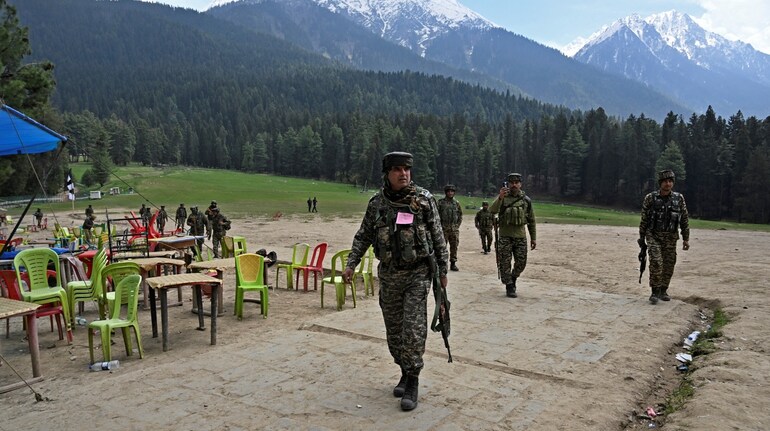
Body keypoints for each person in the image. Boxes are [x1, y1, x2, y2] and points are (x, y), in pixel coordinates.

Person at [341, 151, 448, 412]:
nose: (403, 174)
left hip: (417, 275)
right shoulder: (377, 204)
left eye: (407, 169)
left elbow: (438, 236)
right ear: (387, 174)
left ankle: (413, 380)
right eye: (397, 169)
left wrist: (443, 272)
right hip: (389, 276)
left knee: (413, 330)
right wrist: (351, 263)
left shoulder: (424, 201)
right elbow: (363, 236)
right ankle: (403, 369)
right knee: (394, 331)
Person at [639, 169, 690, 304]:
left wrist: (686, 238)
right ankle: (654, 291)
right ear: (660, 183)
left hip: (671, 237)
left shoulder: (679, 199)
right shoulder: (650, 198)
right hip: (653, 235)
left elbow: (684, 219)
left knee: (669, 264)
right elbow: (644, 219)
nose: (668, 184)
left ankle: (663, 290)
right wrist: (641, 237)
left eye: (670, 181)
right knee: (656, 261)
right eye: (665, 181)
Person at [489, 173, 536, 298]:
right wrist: (500, 197)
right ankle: (509, 285)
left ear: (520, 184)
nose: (514, 185)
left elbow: (531, 220)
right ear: (508, 184)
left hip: (520, 236)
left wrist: (533, 238)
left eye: (516, 183)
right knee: (505, 262)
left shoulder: (526, 200)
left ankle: (513, 277)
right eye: (512, 183)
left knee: (521, 262)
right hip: (505, 236)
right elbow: (492, 211)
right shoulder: (503, 197)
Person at [437, 184, 462, 271]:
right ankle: (442, 264)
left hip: (454, 230)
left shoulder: (456, 203)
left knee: (454, 247)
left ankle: (453, 263)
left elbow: (460, 215)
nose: (450, 193)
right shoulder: (440, 203)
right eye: (449, 191)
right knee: (442, 247)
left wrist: (457, 226)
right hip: (443, 229)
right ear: (446, 192)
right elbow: (436, 215)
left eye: (452, 191)